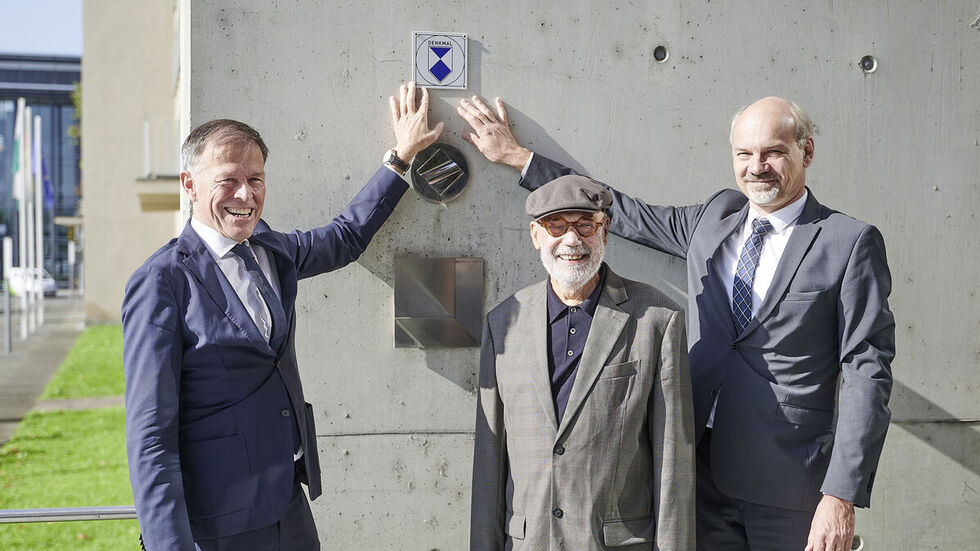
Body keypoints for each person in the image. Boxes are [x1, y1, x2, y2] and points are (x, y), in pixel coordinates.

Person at [459, 95, 894, 551]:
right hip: (696, 479)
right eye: (744, 154)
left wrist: (840, 493)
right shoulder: (715, 217)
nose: (757, 166)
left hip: (790, 487)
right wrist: (518, 158)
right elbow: (621, 213)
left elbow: (869, 371)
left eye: (774, 152)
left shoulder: (848, 242)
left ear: (806, 151)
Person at [123, 82, 443, 551]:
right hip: (218, 522)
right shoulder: (162, 281)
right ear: (189, 184)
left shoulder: (270, 250)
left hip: (288, 504)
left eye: (256, 179)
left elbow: (344, 238)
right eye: (228, 180)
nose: (245, 194)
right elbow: (150, 435)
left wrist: (400, 157)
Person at [470, 175, 696, 550]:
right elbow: (489, 465)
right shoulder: (503, 322)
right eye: (556, 225)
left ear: (604, 231)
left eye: (585, 225)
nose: (572, 240)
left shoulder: (657, 318)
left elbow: (674, 466)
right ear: (536, 235)